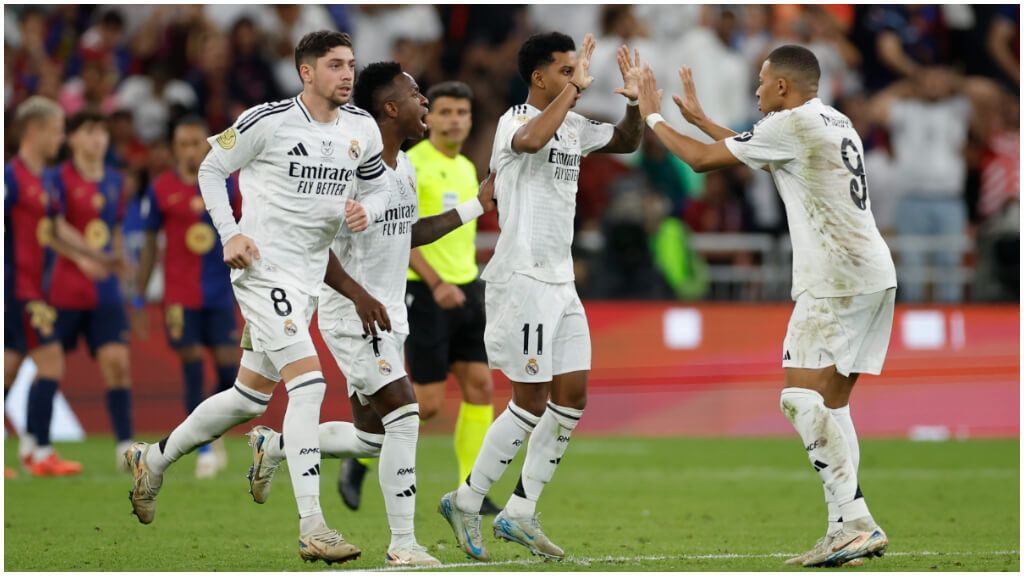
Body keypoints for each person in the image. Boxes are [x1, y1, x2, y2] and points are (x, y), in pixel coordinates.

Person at [123, 31, 392, 566]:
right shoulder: (267, 121)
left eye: (351, 65)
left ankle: (152, 459)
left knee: (249, 399)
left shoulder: (361, 128)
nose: (347, 75)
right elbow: (209, 168)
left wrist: (369, 210)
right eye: (335, 65)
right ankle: (313, 526)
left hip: (308, 279)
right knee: (309, 383)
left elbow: (377, 184)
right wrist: (230, 235)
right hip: (261, 270)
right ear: (306, 72)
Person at [635, 46, 894, 567]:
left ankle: (857, 520)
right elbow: (755, 152)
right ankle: (844, 526)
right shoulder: (833, 119)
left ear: (782, 87)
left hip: (834, 280)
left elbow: (703, 161)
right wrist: (703, 118)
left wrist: (652, 114)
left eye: (761, 81)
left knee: (799, 399)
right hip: (873, 275)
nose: (755, 91)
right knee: (832, 404)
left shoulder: (793, 123)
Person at [244, 61, 495, 568]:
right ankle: (404, 544)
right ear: (390, 108)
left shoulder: (400, 168)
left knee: (372, 437)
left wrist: (476, 206)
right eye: (417, 95)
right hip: (354, 312)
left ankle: (275, 446)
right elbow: (321, 244)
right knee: (405, 415)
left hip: (387, 313)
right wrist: (358, 295)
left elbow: (409, 233)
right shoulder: (347, 168)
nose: (423, 102)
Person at [438, 32, 643, 562]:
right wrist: (574, 93)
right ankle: (465, 499)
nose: (576, 76)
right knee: (528, 401)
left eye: (577, 69)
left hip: (560, 283)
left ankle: (522, 512)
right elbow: (529, 141)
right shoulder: (513, 120)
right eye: (566, 69)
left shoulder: (572, 124)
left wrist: (639, 105)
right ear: (539, 77)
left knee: (571, 399)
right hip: (522, 279)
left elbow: (625, 141)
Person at [337, 80, 502, 516]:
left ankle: (473, 488)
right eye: (444, 111)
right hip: (426, 293)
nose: (452, 119)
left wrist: (467, 283)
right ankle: (357, 456)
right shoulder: (412, 164)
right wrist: (435, 283)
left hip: (467, 288)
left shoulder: (467, 168)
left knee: (482, 387)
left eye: (461, 113)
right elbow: (400, 235)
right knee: (425, 406)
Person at [4, 96, 112, 478]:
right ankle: (39, 451)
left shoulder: (43, 182)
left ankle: (35, 451)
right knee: (50, 358)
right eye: (57, 130)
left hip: (32, 286)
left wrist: (95, 256)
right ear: (34, 131)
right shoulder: (10, 177)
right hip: (15, 286)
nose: (62, 139)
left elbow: (57, 229)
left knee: (12, 367)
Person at [134, 116, 241, 479]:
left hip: (220, 291)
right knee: (192, 366)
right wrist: (138, 295)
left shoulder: (226, 185)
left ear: (207, 146)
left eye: (197, 143)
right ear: (174, 149)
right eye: (183, 144)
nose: (190, 151)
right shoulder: (161, 188)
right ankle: (206, 448)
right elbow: (150, 244)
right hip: (179, 296)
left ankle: (210, 428)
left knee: (230, 370)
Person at [47, 110, 135, 470]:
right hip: (63, 286)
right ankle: (36, 445)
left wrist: (117, 263)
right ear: (72, 139)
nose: (98, 138)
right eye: (89, 131)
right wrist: (81, 258)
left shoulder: (116, 181)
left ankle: (125, 446)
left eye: (102, 132)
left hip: (104, 289)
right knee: (47, 367)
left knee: (117, 363)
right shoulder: (57, 178)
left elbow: (113, 229)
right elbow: (50, 231)